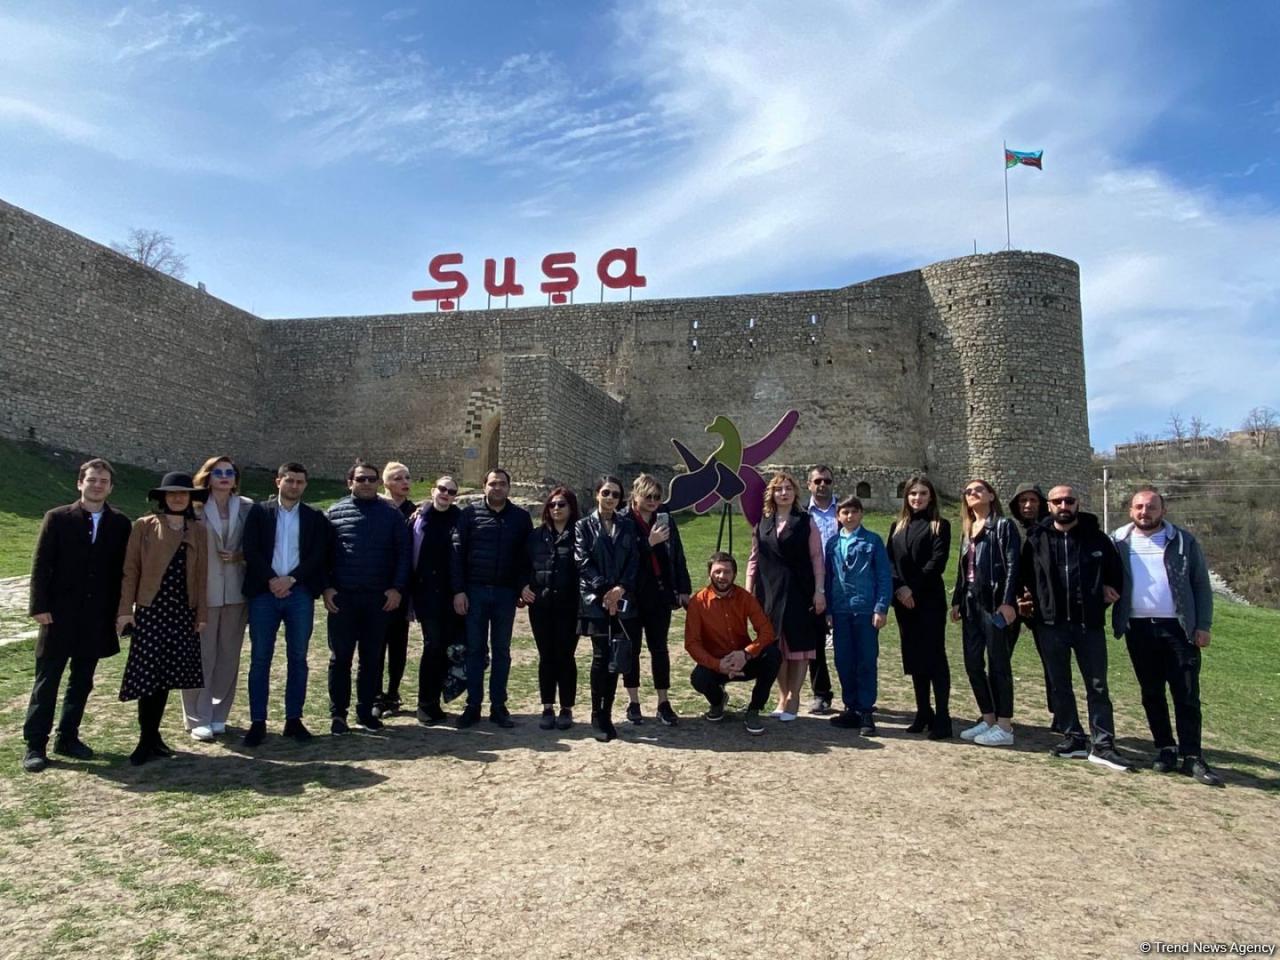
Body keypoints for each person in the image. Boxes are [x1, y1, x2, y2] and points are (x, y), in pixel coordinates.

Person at [22, 458, 132, 773]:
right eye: (92, 479)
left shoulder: (120, 523)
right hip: (58, 615)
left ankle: (67, 737)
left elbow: (122, 570)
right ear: (80, 483)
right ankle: (35, 745)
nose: (97, 485)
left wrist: (122, 610)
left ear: (110, 487)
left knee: (82, 681)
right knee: (47, 681)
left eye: (103, 481)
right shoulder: (57, 518)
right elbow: (41, 565)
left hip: (96, 616)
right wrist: (39, 606)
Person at [1112, 486, 1224, 787]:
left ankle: (1192, 756)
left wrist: (1203, 624)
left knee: (1186, 693)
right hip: (1138, 627)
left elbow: (1200, 584)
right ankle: (1165, 748)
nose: (1144, 513)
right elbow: (1106, 578)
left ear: (1163, 510)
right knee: (1151, 693)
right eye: (1138, 507)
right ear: (1130, 510)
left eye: (1150, 507)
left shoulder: (1183, 541)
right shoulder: (1118, 541)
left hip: (1178, 627)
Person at [1020, 484, 1132, 771]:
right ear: (1049, 506)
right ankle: (1073, 736)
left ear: (1077, 504)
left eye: (1069, 500)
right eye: (1057, 501)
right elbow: (1024, 576)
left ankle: (1104, 743)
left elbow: (1115, 575)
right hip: (1050, 623)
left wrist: (1105, 594)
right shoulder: (1036, 538)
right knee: (1060, 684)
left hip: (1088, 624)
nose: (1063, 505)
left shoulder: (1096, 538)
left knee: (1097, 685)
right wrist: (1031, 608)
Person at [116, 472, 209, 766]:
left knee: (167, 677)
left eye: (183, 494)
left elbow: (202, 575)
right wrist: (124, 610)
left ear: (190, 498)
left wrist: (201, 613)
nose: (178, 498)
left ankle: (154, 736)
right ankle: (145, 738)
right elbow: (131, 570)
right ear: (163, 498)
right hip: (152, 611)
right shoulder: (144, 527)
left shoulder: (198, 531)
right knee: (149, 678)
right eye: (172, 494)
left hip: (182, 612)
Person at [241, 462, 331, 746]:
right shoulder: (259, 512)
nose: (294, 486)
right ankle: (258, 722)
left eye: (299, 482)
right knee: (260, 659)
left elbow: (317, 556)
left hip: (299, 593)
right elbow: (250, 550)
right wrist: (271, 579)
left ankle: (294, 718)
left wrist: (291, 579)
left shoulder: (314, 516)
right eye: (289, 480)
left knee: (298, 658)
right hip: (264, 593)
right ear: (277, 482)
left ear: (305, 485)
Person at [323, 459, 411, 734]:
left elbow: (403, 554)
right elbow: (322, 555)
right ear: (350, 482)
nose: (367, 483)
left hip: (378, 599)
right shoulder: (334, 513)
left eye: (372, 479)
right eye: (361, 479)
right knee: (340, 659)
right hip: (343, 600)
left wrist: (397, 588)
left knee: (371, 659)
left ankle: (365, 712)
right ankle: (338, 715)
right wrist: (326, 587)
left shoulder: (391, 515)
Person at [451, 468, 532, 728]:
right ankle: (473, 705)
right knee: (475, 650)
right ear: (484, 486)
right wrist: (459, 591)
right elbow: (457, 555)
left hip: (505, 593)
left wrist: (521, 587)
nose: (497, 488)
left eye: (502, 484)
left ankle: (498, 705)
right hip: (474, 591)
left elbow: (524, 558)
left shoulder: (520, 518)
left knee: (502, 651)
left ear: (509, 487)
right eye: (493, 484)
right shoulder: (469, 514)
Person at [745, 471, 825, 721]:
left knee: (799, 646)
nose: (784, 493)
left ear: (795, 493)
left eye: (788, 488)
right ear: (772, 494)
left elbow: (816, 558)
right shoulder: (762, 523)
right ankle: (782, 696)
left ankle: (794, 697)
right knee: (775, 646)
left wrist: (819, 591)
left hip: (799, 591)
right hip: (770, 592)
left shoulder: (805, 521)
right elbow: (753, 560)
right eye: (779, 489)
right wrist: (748, 594)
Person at [183, 455, 252, 742]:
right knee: (201, 656)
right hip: (205, 592)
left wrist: (240, 556)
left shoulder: (247, 507)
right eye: (218, 472)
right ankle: (197, 717)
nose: (224, 476)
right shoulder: (195, 508)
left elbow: (260, 544)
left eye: (229, 472)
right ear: (207, 476)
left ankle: (219, 714)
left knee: (228, 656)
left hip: (236, 591)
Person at [950, 478, 1021, 747]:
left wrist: (1007, 601)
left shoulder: (1003, 526)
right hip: (971, 603)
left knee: (998, 664)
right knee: (972, 663)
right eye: (968, 492)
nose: (972, 494)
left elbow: (1013, 565)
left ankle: (1004, 725)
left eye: (978, 490)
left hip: (994, 603)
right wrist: (957, 599)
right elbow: (962, 570)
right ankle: (988, 718)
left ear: (991, 495)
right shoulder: (968, 529)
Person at [617, 473, 691, 727]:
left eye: (657, 497)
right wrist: (648, 543)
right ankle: (634, 701)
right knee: (632, 649)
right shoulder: (624, 521)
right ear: (635, 496)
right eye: (647, 496)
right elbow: (622, 557)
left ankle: (663, 701)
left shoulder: (665, 519)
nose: (652, 501)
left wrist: (683, 588)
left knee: (659, 648)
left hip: (659, 593)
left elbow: (677, 554)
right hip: (632, 592)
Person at [685, 552, 781, 735]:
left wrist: (746, 653)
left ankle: (754, 709)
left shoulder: (745, 597)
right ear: (709, 574)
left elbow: (767, 631)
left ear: (735, 574)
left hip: (744, 659)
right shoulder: (697, 602)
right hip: (717, 663)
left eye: (727, 572)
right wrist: (717, 664)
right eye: (717, 572)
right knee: (699, 678)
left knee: (773, 655)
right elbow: (692, 643)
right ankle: (717, 701)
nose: (722, 577)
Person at [887, 475, 953, 740]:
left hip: (928, 601)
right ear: (907, 497)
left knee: (935, 657)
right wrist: (899, 589)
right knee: (914, 657)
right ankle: (923, 711)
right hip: (904, 603)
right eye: (913, 494)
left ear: (931, 497)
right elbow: (889, 561)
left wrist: (911, 588)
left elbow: (937, 562)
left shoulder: (940, 526)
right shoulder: (897, 526)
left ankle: (943, 717)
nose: (917, 498)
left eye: (923, 494)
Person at [576, 475, 639, 743]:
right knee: (601, 657)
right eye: (606, 493)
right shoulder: (583, 526)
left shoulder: (627, 525)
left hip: (621, 601)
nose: (610, 498)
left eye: (615, 494)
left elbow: (634, 560)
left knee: (616, 659)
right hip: (596, 601)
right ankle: (596, 714)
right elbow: (582, 560)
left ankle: (607, 711)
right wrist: (605, 591)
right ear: (597, 495)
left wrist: (620, 589)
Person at [824, 495, 892, 734]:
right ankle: (850, 707)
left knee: (865, 660)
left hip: (865, 609)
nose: (849, 516)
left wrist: (881, 607)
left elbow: (884, 576)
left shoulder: (873, 541)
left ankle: (865, 711)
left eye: (853, 511)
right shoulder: (832, 544)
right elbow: (828, 577)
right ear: (838, 516)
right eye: (844, 512)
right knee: (843, 660)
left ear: (861, 514)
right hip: (841, 610)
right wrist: (829, 610)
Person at [521, 486, 581, 730]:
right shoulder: (535, 536)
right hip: (541, 605)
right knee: (546, 657)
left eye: (561, 504)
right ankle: (547, 706)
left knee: (565, 657)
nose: (556, 508)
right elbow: (523, 565)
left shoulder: (580, 535)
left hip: (570, 605)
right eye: (552, 504)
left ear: (571, 508)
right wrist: (522, 586)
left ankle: (566, 708)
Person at [410, 476, 463, 725]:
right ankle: (425, 703)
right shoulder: (419, 518)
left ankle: (436, 701)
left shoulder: (460, 519)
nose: (446, 494)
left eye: (451, 491)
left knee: (445, 648)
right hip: (426, 593)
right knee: (433, 646)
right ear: (433, 491)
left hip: (452, 594)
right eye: (442, 489)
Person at [1010, 482, 1056, 726]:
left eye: (1033, 501)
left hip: (1045, 608)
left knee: (1052, 662)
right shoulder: (1021, 531)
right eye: (1022, 502)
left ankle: (1060, 714)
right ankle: (1000, 709)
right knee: (1000, 657)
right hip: (1020, 604)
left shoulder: (1050, 532)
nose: (1027, 506)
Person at [375, 461, 416, 717]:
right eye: (399, 478)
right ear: (387, 483)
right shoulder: (377, 509)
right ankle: (376, 696)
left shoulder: (417, 512)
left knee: (399, 643)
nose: (405, 482)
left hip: (404, 587)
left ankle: (393, 692)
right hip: (378, 586)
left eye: (408, 477)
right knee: (376, 643)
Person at [804, 465, 839, 714]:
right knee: (816, 643)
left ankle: (857, 697)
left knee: (849, 643)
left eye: (826, 480)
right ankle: (821, 693)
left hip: (842, 583)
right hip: (813, 584)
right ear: (809, 485)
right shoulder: (802, 513)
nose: (822, 485)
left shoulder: (846, 510)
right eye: (817, 481)